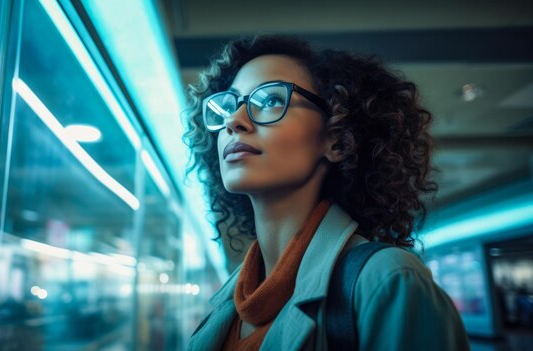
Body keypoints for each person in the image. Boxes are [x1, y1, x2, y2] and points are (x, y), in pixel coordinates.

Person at [182, 35, 469, 351]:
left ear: (335, 139)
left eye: (270, 101)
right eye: (228, 106)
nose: (234, 121)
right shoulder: (227, 301)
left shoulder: (388, 281)